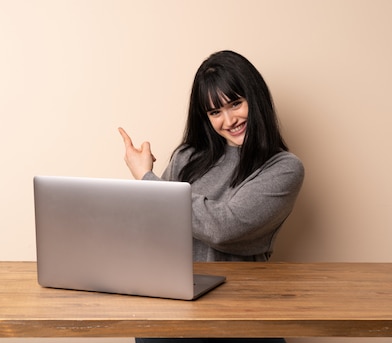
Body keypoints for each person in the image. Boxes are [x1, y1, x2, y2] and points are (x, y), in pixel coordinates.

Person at [119, 50, 304, 343]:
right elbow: (154, 226)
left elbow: (223, 228)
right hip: (175, 308)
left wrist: (147, 179)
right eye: (215, 112)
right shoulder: (187, 157)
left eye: (235, 104)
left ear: (254, 99)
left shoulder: (283, 168)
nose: (229, 120)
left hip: (241, 314)